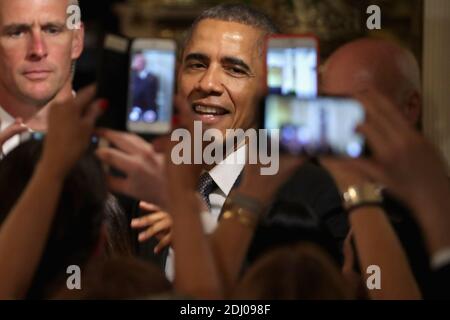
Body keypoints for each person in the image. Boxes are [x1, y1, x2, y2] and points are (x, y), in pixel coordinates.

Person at [320, 37, 431, 298]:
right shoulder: (310, 189)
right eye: (327, 103)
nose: (338, 122)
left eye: (354, 104)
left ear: (409, 108)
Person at [0, 0, 84, 155]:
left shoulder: (118, 145)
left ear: (76, 41)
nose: (38, 50)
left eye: (52, 30)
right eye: (17, 32)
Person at [130, 53, 159, 123]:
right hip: (135, 108)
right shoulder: (132, 76)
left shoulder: (152, 78)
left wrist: (151, 111)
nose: (136, 63)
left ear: (143, 63)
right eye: (135, 61)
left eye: (138, 61)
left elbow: (152, 97)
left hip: (148, 109)